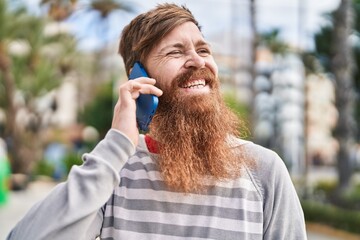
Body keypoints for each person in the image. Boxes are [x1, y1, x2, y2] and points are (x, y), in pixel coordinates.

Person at [7, 3, 307, 240]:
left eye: (203, 50)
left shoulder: (264, 170)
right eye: (176, 52)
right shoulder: (114, 171)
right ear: (139, 79)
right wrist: (117, 143)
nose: (198, 61)